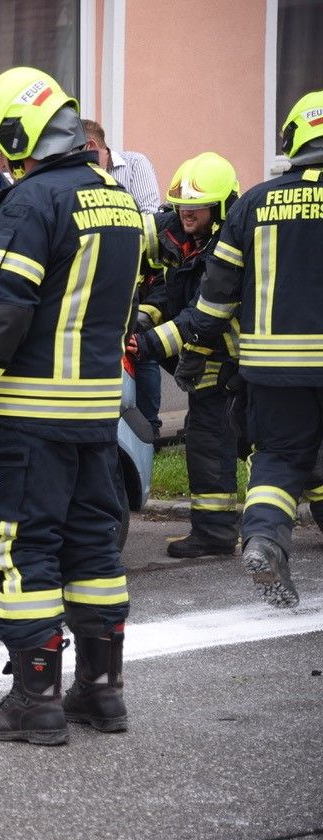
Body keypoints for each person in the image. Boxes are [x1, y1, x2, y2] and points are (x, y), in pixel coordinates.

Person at [0, 68, 141, 745]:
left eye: (3, 148)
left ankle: (34, 701)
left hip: (28, 415)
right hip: (94, 413)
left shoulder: (29, 206)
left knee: (25, 553)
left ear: (22, 136)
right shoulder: (117, 199)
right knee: (93, 550)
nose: (2, 163)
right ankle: (101, 694)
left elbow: (2, 316)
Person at [137, 90, 323, 609]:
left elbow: (212, 307)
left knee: (280, 458)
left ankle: (263, 538)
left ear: (292, 140)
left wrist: (155, 340)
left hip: (271, 369)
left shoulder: (253, 206)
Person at [131, 153, 241, 558]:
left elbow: (200, 315)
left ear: (220, 207)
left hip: (227, 363)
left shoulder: (226, 250)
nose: (185, 213)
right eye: (180, 205)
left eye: (196, 205)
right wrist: (138, 320)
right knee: (215, 440)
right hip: (204, 363)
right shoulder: (181, 235)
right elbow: (166, 290)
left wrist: (144, 343)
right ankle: (214, 532)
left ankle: (214, 534)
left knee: (213, 443)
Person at [83, 118, 165, 440]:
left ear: (91, 148)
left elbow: (150, 217)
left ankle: (151, 429)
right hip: (99, 274)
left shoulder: (134, 164)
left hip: (140, 274)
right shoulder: (82, 177)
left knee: (140, 347)